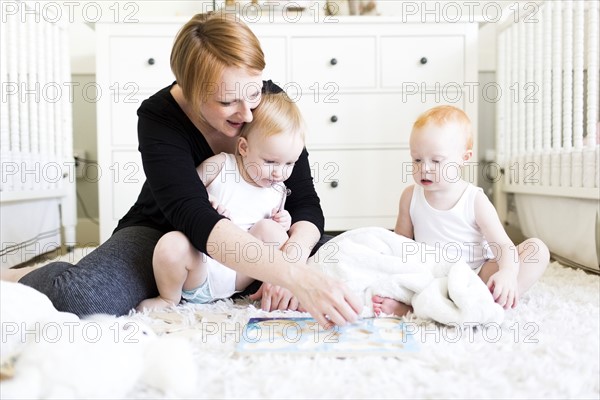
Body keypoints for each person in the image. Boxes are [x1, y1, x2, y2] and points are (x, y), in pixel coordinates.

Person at [16, 12, 361, 328]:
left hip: (259, 232)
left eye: (254, 92)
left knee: (354, 260)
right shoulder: (158, 117)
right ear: (191, 92)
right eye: (227, 102)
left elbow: (306, 202)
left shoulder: (269, 104)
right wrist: (290, 275)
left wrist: (293, 260)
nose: (249, 114)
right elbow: (196, 219)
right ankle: (23, 274)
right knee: (80, 297)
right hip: (169, 233)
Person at [372, 105, 549, 317]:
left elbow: (502, 245)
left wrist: (509, 273)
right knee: (390, 266)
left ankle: (492, 300)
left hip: (475, 276)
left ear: (464, 158)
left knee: (537, 250)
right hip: (430, 277)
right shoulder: (410, 197)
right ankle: (418, 306)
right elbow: (400, 244)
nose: (424, 168)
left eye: (436, 161)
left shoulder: (475, 200)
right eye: (417, 159)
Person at [137, 91, 306, 311]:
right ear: (243, 147)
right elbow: (187, 192)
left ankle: (276, 287)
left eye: (289, 164)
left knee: (272, 231)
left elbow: (278, 232)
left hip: (238, 275)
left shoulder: (278, 189)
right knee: (171, 244)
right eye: (271, 162)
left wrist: (283, 221)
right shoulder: (221, 166)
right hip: (201, 266)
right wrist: (206, 201)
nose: (278, 173)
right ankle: (168, 298)